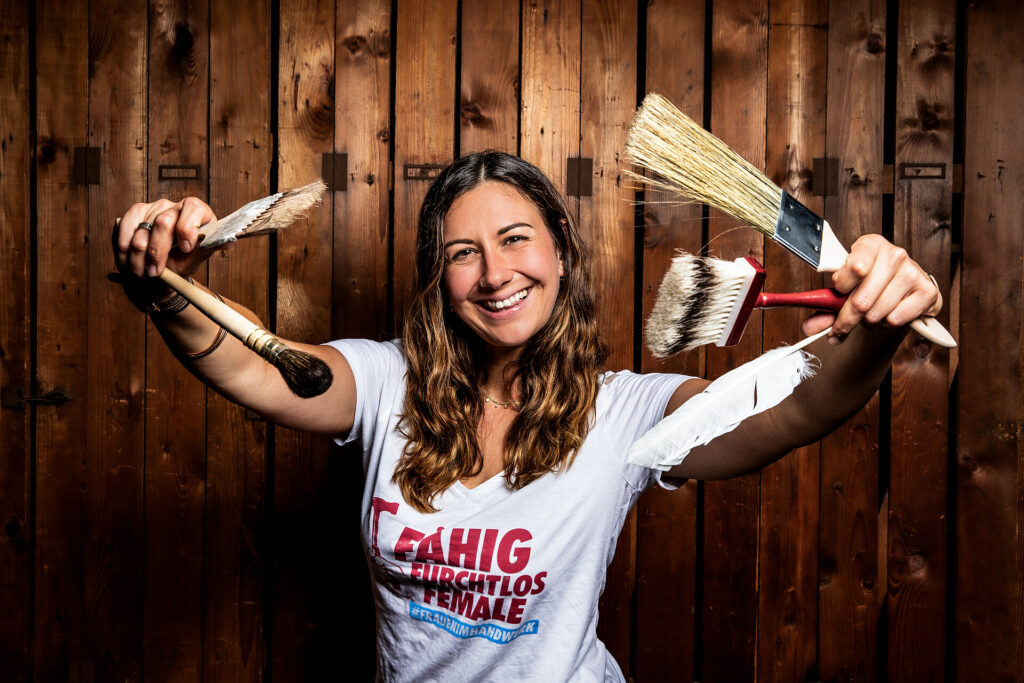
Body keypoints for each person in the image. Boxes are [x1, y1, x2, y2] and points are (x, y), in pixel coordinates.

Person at [112, 151, 941, 681]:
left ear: (560, 249)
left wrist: (877, 326)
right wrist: (168, 286)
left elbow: (796, 410)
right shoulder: (386, 382)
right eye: (462, 252)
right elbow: (255, 362)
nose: (493, 272)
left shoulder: (622, 413)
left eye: (516, 238)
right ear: (440, 279)